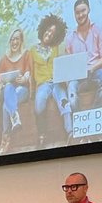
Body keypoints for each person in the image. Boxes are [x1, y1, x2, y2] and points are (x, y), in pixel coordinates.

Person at [63, 0, 102, 128]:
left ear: (88, 10)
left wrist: (91, 68)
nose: (80, 15)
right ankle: (82, 125)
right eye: (77, 13)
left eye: (83, 11)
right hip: (78, 77)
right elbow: (69, 62)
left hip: (97, 71)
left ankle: (93, 119)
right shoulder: (70, 37)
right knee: (71, 91)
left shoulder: (99, 29)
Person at [30, 14, 69, 147]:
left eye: (53, 33)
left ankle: (70, 133)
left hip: (57, 82)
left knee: (65, 103)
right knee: (39, 104)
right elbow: (30, 72)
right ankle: (42, 135)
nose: (50, 34)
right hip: (42, 84)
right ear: (43, 29)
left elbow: (63, 65)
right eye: (48, 30)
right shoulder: (32, 50)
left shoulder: (56, 48)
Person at [0, 28, 34, 156]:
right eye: (12, 39)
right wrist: (0, 84)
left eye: (17, 39)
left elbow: (28, 72)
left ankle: (5, 140)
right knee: (7, 89)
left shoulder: (26, 54)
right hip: (9, 90)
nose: (14, 42)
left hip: (22, 90)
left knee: (7, 104)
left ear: (21, 40)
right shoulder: (5, 59)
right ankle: (15, 118)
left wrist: (24, 78)